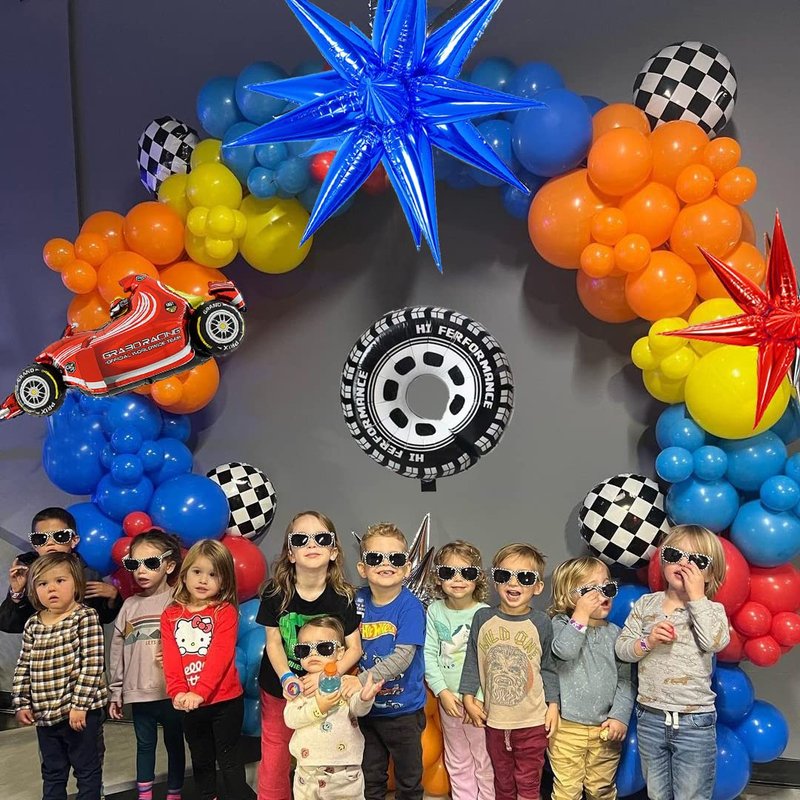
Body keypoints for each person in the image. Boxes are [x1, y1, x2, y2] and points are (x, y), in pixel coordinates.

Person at [616, 524, 730, 800]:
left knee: (691, 794)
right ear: (663, 561)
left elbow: (714, 642)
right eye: (674, 555)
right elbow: (622, 649)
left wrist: (697, 598)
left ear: (710, 574)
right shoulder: (646, 605)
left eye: (697, 561)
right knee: (656, 793)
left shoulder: (711, 610)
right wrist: (648, 642)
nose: (684, 564)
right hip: (650, 716)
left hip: (695, 721)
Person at [256, 511, 361, 800]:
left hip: (327, 689)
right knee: (276, 754)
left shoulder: (342, 596)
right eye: (301, 539)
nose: (312, 544)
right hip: (279, 687)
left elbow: (355, 648)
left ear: (333, 551)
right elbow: (273, 643)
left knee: (323, 753)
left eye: (322, 539)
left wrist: (326, 675)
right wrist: (287, 677)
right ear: (291, 553)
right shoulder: (275, 593)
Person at [460, 543, 560, 800]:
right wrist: (468, 697)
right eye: (504, 575)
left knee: (528, 783)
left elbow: (548, 667)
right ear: (495, 581)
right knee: (502, 782)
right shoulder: (483, 618)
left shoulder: (541, 622)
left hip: (532, 722)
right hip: (495, 721)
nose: (513, 583)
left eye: (524, 577)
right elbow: (472, 659)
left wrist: (553, 705)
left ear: (538, 586)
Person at [161, 539, 254, 800]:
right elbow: (171, 657)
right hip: (190, 705)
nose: (203, 580)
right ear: (185, 574)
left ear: (224, 581)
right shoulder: (170, 615)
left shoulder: (224, 612)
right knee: (201, 760)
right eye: (197, 572)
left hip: (225, 702)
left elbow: (219, 656)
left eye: (213, 574)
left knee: (229, 761)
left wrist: (200, 692)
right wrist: (178, 691)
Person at [12, 552, 108, 800]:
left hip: (79, 713)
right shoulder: (33, 624)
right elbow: (24, 665)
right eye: (43, 583)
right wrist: (21, 703)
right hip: (45, 714)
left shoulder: (85, 617)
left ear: (76, 583)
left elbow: (92, 664)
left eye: (60, 581)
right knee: (53, 771)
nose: (51, 589)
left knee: (86, 770)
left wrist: (80, 706)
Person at [548, 556, 634, 800]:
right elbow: (564, 651)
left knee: (601, 789)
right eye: (589, 591)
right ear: (567, 597)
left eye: (607, 588)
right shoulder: (560, 624)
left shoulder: (617, 634)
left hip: (604, 729)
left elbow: (626, 681)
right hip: (566, 728)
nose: (601, 595)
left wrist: (619, 717)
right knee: (566, 790)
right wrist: (581, 615)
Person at [108, 530, 185, 800]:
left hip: (172, 692)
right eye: (134, 564)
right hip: (138, 693)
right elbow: (117, 651)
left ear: (169, 565)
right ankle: (145, 796)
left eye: (151, 563)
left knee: (175, 744)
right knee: (144, 746)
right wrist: (115, 691)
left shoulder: (179, 601)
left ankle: (174, 793)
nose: (141, 571)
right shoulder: (129, 606)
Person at [355, 522, 427, 800]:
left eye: (395, 558)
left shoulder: (410, 607)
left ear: (407, 568)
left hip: (403, 712)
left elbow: (402, 658)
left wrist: (359, 681)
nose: (386, 564)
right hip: (366, 709)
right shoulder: (357, 601)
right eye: (375, 558)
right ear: (363, 568)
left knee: (408, 779)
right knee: (370, 776)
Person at [283, 616, 384, 799]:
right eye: (304, 649)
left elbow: (358, 709)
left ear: (340, 653)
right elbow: (291, 719)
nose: (313, 654)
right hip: (308, 773)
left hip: (345, 772)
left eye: (324, 648)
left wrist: (364, 698)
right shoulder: (298, 686)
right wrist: (318, 707)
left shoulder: (346, 682)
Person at [423, 540, 494, 800]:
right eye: (448, 572)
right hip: (449, 700)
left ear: (478, 578)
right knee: (458, 758)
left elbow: (490, 662)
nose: (458, 579)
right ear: (438, 578)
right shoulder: (435, 611)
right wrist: (442, 692)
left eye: (467, 572)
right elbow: (429, 654)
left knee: (484, 758)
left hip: (478, 702)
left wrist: (478, 698)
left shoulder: (485, 613)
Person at [1, 506, 121, 633]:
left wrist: (113, 597)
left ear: (74, 540)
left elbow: (103, 617)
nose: (50, 543)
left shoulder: (88, 575)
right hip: (42, 643)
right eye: (41, 538)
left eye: (60, 536)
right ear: (34, 545)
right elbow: (7, 624)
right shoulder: (28, 574)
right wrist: (17, 593)